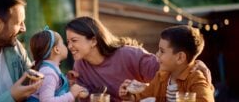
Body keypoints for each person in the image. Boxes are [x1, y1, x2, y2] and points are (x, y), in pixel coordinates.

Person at [65, 16, 212, 102]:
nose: (69, 46)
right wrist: (70, 87)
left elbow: (171, 67)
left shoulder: (129, 55)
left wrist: (194, 63)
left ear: (93, 41)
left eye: (74, 40)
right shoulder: (80, 66)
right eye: (68, 41)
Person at [119, 25, 214, 102]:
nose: (157, 54)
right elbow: (144, 95)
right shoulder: (161, 76)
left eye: (162, 51)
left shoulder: (196, 79)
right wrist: (130, 96)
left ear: (180, 57)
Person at [26, 27, 85, 102]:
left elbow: (55, 88)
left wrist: (67, 80)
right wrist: (71, 95)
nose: (67, 46)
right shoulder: (48, 72)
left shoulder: (49, 69)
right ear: (57, 49)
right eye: (63, 43)